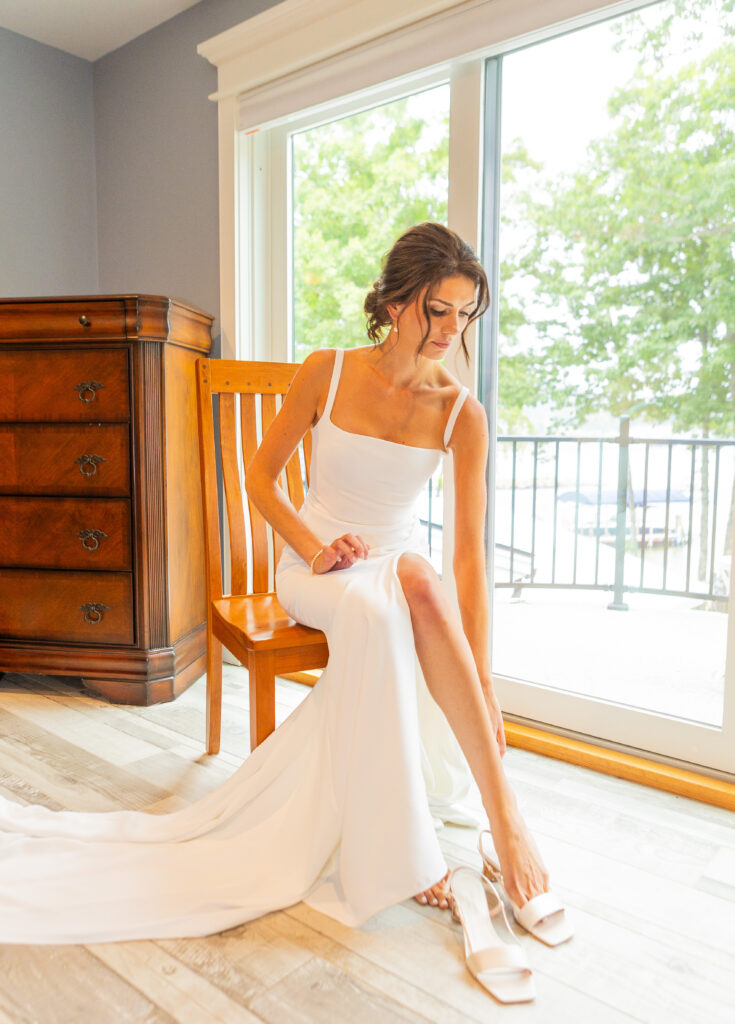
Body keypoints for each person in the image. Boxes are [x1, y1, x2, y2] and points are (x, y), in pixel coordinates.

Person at [0, 222, 547, 947]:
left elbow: (469, 563)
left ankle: (495, 819)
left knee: (409, 581)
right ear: (393, 302)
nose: (450, 329)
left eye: (464, 313)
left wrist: (483, 680)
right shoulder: (327, 371)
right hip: (313, 566)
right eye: (435, 309)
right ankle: (436, 845)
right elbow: (259, 478)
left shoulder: (460, 414)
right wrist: (314, 548)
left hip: (394, 571)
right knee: (397, 591)